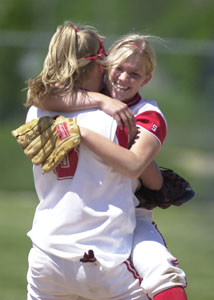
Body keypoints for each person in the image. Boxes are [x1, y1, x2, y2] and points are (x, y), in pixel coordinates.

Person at [31, 26, 188, 300]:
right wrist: (97, 107)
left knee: (161, 271)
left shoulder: (43, 110)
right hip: (105, 240)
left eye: (135, 73)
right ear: (104, 66)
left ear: (147, 78)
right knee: (162, 277)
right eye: (118, 68)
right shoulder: (116, 113)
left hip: (60, 243)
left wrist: (87, 116)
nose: (123, 78)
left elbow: (37, 96)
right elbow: (140, 170)